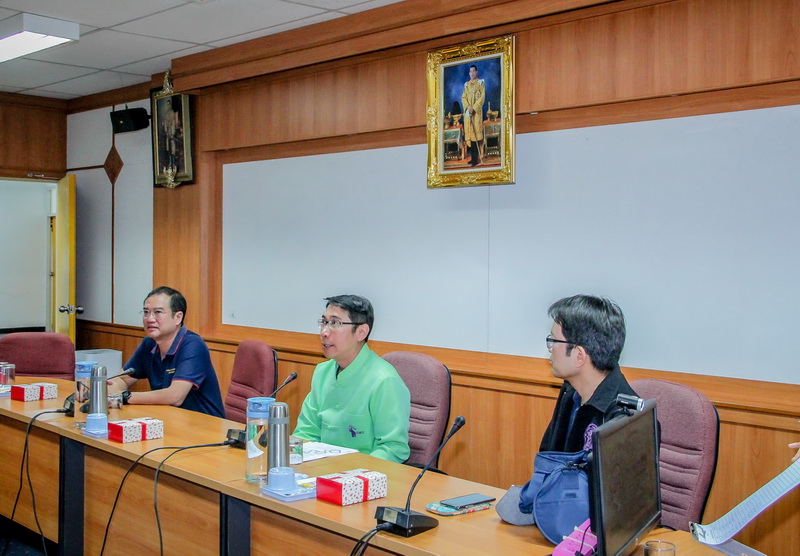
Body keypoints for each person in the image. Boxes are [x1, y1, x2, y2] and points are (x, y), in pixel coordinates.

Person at [497, 294, 638, 524]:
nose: (550, 349)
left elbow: (617, 509)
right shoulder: (571, 392)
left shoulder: (625, 418)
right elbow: (549, 461)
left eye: (554, 341)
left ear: (579, 355)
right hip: (559, 516)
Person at [293, 295, 411, 463]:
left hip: (363, 473)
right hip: (319, 470)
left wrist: (354, 474)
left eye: (335, 323)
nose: (324, 332)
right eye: (324, 322)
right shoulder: (322, 372)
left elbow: (393, 448)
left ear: (361, 332)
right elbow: (306, 433)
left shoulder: (384, 381)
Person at [109, 286, 225, 418]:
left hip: (203, 425)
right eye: (146, 312)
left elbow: (175, 396)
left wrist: (125, 396)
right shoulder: (149, 344)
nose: (149, 319)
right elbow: (122, 379)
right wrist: (108, 388)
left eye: (158, 312)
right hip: (169, 419)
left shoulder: (193, 345)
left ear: (178, 317)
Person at [461, 64, 485, 167]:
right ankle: (472, 158)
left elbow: (482, 97)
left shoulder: (480, 83)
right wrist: (468, 106)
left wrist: (474, 108)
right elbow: (463, 97)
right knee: (470, 136)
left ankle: (476, 159)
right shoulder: (466, 85)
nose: (472, 73)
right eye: (470, 71)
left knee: (475, 136)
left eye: (473, 71)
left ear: (476, 72)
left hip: (476, 113)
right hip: (468, 112)